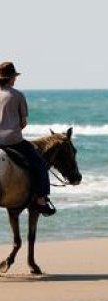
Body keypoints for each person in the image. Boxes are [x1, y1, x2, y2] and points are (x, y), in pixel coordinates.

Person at [0, 62, 56, 216]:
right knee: (40, 164)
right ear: (11, 78)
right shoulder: (17, 95)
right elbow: (23, 123)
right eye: (14, 77)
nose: (15, 80)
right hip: (12, 140)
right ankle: (41, 201)